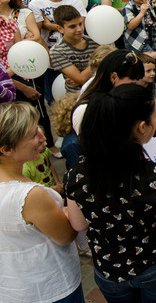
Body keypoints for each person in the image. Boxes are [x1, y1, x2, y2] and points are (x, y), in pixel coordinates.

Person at [66, 84, 156, 302]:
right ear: (142, 127)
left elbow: (78, 224)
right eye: (154, 117)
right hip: (155, 267)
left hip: (108, 269)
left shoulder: (78, 169)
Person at [0, 102, 83, 303]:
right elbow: (66, 235)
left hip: (13, 287)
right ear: (7, 149)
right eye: (32, 135)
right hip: (51, 287)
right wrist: (67, 209)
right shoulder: (30, 195)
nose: (43, 137)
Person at [49, 5, 98, 94]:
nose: (79, 29)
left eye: (80, 24)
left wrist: (84, 77)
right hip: (77, 97)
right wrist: (100, 60)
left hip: (99, 93)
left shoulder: (95, 41)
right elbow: (81, 79)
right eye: (72, 26)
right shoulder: (57, 51)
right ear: (60, 28)